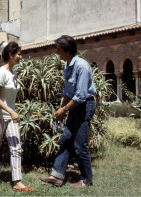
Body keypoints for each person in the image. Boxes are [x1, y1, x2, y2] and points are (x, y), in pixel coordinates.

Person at [39, 35, 97, 188]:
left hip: (85, 106)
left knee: (80, 144)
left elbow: (81, 96)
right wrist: (61, 109)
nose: (57, 53)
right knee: (65, 139)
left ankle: (86, 179)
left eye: (59, 50)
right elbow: (68, 92)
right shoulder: (68, 65)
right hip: (74, 105)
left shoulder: (81, 66)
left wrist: (64, 109)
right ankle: (57, 176)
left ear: (67, 50)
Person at [0, 42, 34, 192]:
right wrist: (11, 111)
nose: (21, 57)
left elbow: (9, 97)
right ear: (11, 55)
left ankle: (17, 182)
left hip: (10, 116)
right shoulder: (0, 72)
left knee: (16, 147)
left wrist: (12, 112)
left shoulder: (13, 73)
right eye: (19, 54)